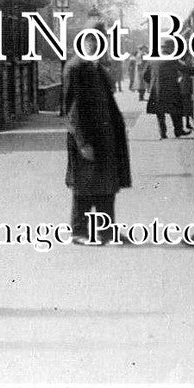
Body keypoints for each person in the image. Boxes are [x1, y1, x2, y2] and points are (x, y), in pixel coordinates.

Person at [63, 21, 131, 244]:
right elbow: (72, 111)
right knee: (85, 185)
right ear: (84, 41)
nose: (97, 45)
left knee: (105, 184)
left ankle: (107, 230)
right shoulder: (76, 68)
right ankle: (79, 231)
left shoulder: (95, 67)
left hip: (104, 137)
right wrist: (83, 143)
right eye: (92, 40)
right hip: (87, 137)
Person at [144, 57, 190, 139]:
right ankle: (178, 130)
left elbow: (146, 76)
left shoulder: (152, 60)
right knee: (175, 110)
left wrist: (153, 82)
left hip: (157, 88)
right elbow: (185, 69)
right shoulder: (172, 59)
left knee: (160, 112)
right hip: (171, 88)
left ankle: (163, 132)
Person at [177, 58, 194, 133]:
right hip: (183, 87)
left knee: (185, 106)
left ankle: (187, 123)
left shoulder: (180, 62)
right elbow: (190, 70)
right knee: (185, 105)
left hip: (184, 87)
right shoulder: (180, 63)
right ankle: (186, 124)